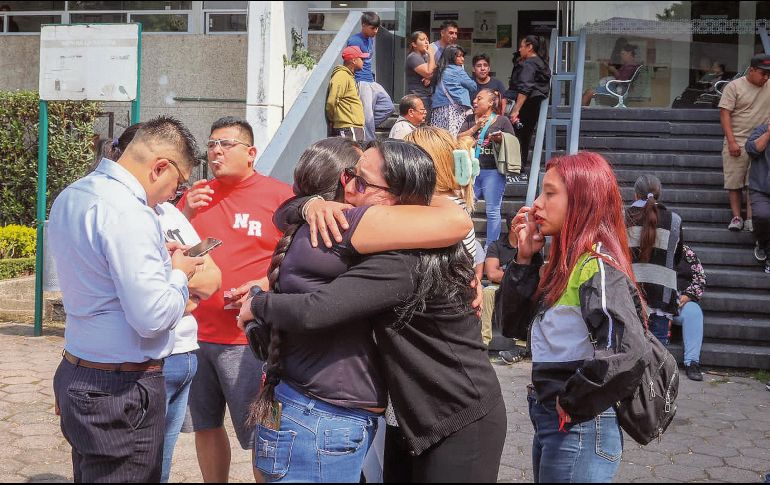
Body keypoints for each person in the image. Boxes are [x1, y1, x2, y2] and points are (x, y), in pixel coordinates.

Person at [242, 139, 506, 483]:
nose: (348, 187)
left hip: (457, 414)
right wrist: (311, 204)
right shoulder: (380, 236)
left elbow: (318, 310)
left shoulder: (403, 258)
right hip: (411, 416)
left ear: (396, 199)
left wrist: (257, 303)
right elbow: (287, 212)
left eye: (361, 182)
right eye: (348, 175)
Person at [49, 116, 204, 483]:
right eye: (177, 183)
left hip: (79, 370)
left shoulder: (75, 194)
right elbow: (152, 317)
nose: (174, 195)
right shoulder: (130, 212)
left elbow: (96, 273)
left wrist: (156, 262)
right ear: (159, 167)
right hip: (119, 390)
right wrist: (180, 273)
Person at [499, 152, 647, 483]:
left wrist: (574, 400)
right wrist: (524, 259)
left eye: (550, 193)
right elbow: (512, 326)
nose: (536, 204)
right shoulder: (565, 264)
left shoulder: (596, 265)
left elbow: (627, 349)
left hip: (579, 425)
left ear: (582, 200)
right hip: (555, 420)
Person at [102, 124, 223, 482]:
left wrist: (176, 281)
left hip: (184, 355)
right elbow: (145, 303)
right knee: (135, 469)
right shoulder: (122, 215)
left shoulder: (169, 214)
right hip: (147, 361)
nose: (178, 191)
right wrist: (182, 283)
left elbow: (212, 278)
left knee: (160, 468)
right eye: (178, 179)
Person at [177, 117, 293, 483]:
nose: (216, 151)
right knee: (205, 426)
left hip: (248, 340)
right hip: (194, 335)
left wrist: (263, 283)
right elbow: (170, 251)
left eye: (226, 144)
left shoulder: (279, 197)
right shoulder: (196, 196)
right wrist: (184, 212)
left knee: (262, 432)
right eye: (211, 144)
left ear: (251, 153)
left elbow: (296, 257)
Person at [625, 175, 684, 348]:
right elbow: (677, 257)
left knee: (630, 352)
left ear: (636, 195)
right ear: (659, 193)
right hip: (662, 296)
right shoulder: (674, 220)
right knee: (658, 356)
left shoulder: (623, 217)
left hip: (629, 294)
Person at [458, 88, 516, 247]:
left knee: (492, 210)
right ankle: (462, 243)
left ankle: (491, 248)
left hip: (493, 172)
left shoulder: (502, 120)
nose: (475, 102)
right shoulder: (470, 119)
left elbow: (512, 143)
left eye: (479, 98)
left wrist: (499, 139)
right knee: (464, 208)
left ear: (491, 102)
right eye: (475, 99)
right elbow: (458, 139)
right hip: (471, 171)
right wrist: (475, 127)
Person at [718, 54, 770, 232]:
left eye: (768, 74)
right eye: (763, 73)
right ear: (752, 70)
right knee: (734, 181)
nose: (766, 78)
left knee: (753, 182)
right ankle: (736, 216)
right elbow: (724, 113)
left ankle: (750, 218)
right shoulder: (734, 86)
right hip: (737, 140)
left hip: (761, 141)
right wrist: (731, 141)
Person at [506, 35, 551, 182]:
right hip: (534, 105)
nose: (519, 49)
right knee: (524, 138)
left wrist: (516, 109)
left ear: (529, 47)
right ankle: (519, 170)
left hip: (526, 104)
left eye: (522, 46)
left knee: (518, 137)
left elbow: (525, 88)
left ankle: (517, 171)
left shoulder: (530, 64)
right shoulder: (542, 63)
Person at [482, 214, 525, 363]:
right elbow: (492, 274)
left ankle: (521, 346)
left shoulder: (529, 246)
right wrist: (516, 275)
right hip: (499, 287)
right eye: (524, 225)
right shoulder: (496, 245)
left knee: (527, 292)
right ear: (514, 227)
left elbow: (531, 275)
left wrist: (505, 273)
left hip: (520, 288)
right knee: (487, 292)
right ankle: (483, 342)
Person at [347, 11, 394, 141]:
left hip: (371, 80)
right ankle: (369, 143)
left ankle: (366, 131)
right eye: (372, 28)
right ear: (363, 25)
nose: (376, 31)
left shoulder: (370, 39)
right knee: (367, 117)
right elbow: (352, 62)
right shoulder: (355, 40)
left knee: (388, 107)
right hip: (360, 81)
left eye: (377, 28)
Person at [673, 244, 707, 382]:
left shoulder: (685, 251)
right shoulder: (648, 244)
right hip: (653, 301)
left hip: (680, 300)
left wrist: (688, 295)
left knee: (694, 313)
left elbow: (700, 278)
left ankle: (692, 362)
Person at [430, 44, 476, 137]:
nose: (462, 59)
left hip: (438, 110)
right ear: (451, 57)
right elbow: (473, 87)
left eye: (463, 56)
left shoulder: (438, 71)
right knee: (455, 138)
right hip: (455, 111)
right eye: (459, 56)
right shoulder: (457, 70)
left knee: (440, 138)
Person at [326, 46, 368, 141]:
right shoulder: (341, 75)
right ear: (354, 60)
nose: (364, 62)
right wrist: (333, 119)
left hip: (354, 126)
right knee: (351, 155)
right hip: (348, 127)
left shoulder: (349, 76)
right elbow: (332, 101)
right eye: (361, 59)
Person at [746, 118, 770, 273]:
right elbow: (751, 149)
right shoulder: (761, 130)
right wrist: (768, 133)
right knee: (762, 215)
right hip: (760, 187)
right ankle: (762, 242)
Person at [405, 30, 437, 116]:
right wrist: (431, 54)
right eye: (422, 39)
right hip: (418, 96)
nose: (426, 42)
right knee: (422, 125)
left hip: (427, 96)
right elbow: (429, 72)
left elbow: (436, 69)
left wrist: (430, 77)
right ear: (414, 44)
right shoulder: (413, 57)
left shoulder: (425, 56)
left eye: (427, 39)